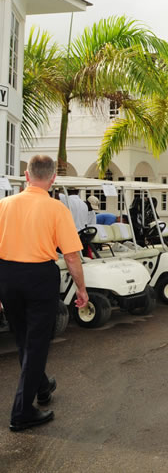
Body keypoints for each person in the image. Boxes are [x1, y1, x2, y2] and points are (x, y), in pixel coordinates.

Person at [0, 155, 89, 432]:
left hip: (7, 276)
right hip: (39, 276)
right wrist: (82, 289)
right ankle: (22, 412)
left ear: (26, 176)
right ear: (52, 179)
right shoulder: (56, 209)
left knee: (25, 338)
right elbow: (72, 256)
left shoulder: (3, 205)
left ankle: (41, 386)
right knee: (37, 343)